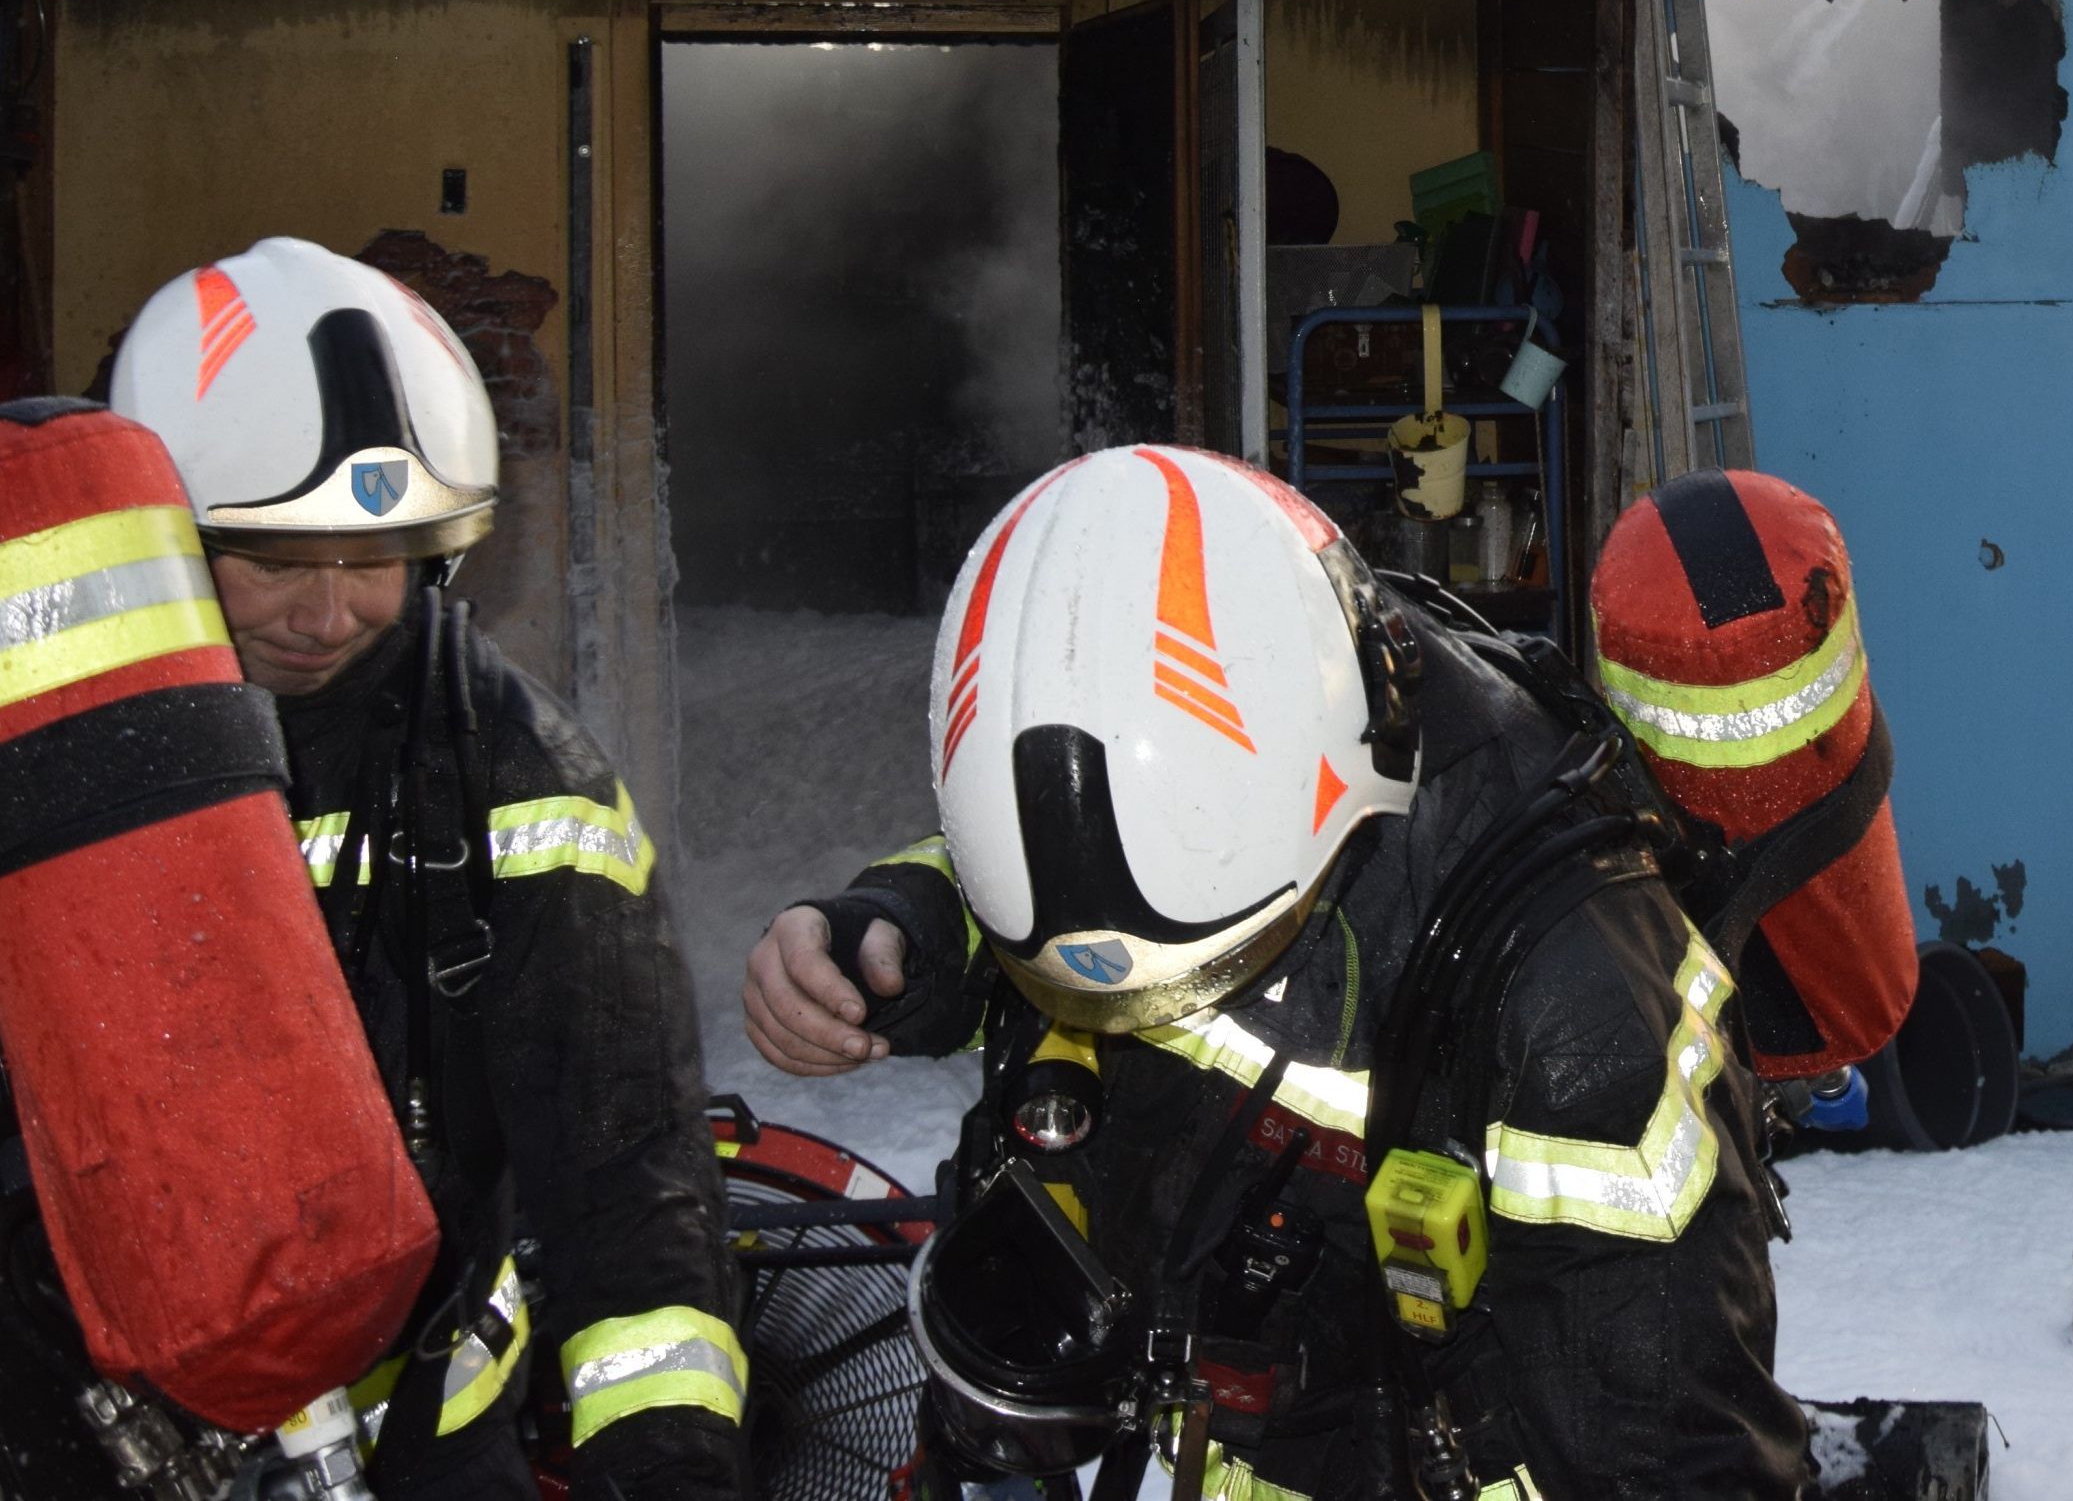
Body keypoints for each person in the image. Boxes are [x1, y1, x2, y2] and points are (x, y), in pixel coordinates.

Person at [741, 444, 1811, 1501]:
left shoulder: (1578, 1017)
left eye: (1211, 971)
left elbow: (1672, 1457)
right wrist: (912, 922)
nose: (1152, 1016)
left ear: (1341, 807)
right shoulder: (1191, 753)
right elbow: (1086, 870)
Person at [108, 237, 746, 1501]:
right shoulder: (57, 753)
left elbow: (625, 1175)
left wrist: (671, 1469)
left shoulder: (519, 779)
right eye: (276, 558)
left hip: (418, 1443)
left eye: (376, 558)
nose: (329, 610)